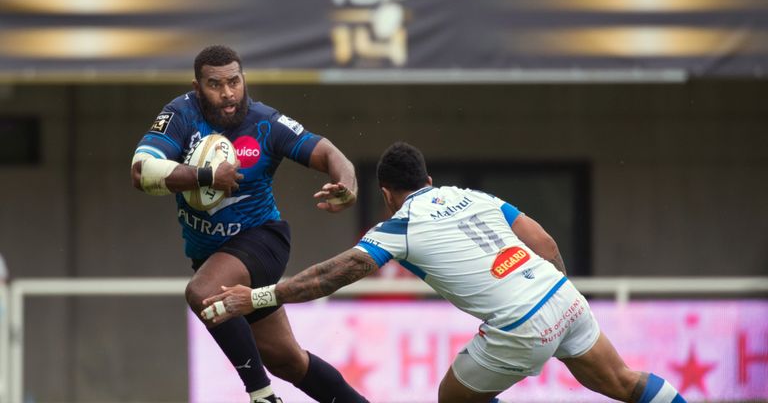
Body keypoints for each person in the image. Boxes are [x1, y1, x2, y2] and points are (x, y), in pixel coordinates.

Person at [201, 141, 688, 403]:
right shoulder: (474, 196)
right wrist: (553, 296)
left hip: (520, 325)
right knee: (624, 382)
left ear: (387, 193)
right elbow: (545, 243)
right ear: (429, 181)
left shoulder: (399, 224)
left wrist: (259, 297)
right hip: (561, 296)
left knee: (452, 400)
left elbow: (336, 273)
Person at [130, 45, 367, 403]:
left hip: (262, 241)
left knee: (202, 292)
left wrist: (347, 184)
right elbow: (141, 171)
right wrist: (207, 175)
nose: (227, 93)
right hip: (212, 255)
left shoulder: (265, 122)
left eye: (234, 82)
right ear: (198, 88)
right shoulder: (180, 115)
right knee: (286, 360)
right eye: (215, 85)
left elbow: (330, 153)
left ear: (243, 80)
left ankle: (263, 397)